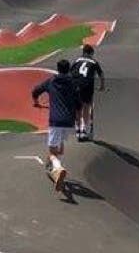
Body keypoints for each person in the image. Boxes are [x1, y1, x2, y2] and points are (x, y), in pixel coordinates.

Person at [31, 59, 79, 193]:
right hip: (69, 121)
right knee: (60, 149)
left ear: (58, 69)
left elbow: (35, 91)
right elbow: (78, 102)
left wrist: (36, 102)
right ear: (68, 69)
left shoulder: (51, 82)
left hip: (56, 121)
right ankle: (54, 166)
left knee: (52, 152)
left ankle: (58, 168)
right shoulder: (73, 83)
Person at [69, 44, 105, 141]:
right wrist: (102, 86)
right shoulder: (94, 62)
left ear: (83, 52)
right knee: (86, 107)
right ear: (91, 53)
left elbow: (70, 73)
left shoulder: (77, 61)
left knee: (77, 108)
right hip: (86, 86)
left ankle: (78, 129)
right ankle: (83, 129)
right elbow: (101, 74)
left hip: (75, 85)